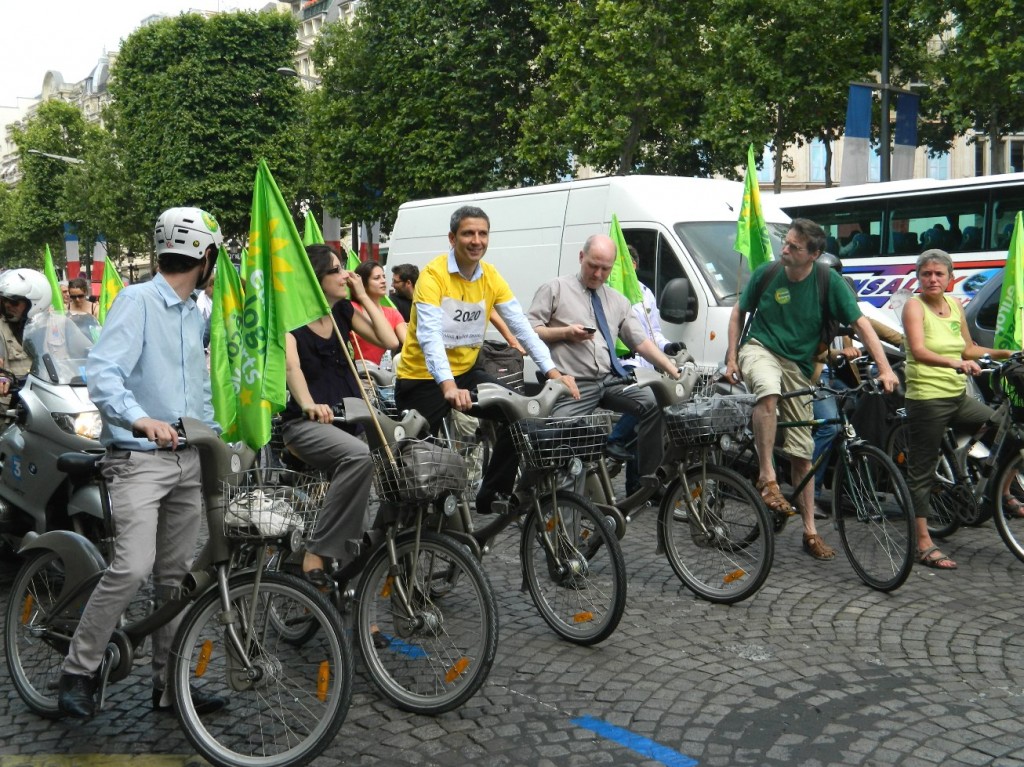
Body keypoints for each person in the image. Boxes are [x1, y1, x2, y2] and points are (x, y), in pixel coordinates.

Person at [57, 207, 226, 719]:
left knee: (175, 579)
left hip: (188, 458)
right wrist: (139, 419)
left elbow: (195, 389)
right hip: (138, 461)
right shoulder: (137, 300)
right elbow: (103, 373)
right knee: (132, 567)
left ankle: (168, 687)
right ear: (206, 255)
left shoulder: (194, 311)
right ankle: (79, 669)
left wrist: (219, 434)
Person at [724, 218, 899, 561]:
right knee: (768, 390)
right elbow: (738, 313)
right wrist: (732, 356)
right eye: (786, 242)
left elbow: (862, 324)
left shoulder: (827, 281)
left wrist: (885, 367)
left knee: (803, 454)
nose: (785, 249)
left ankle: (810, 532)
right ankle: (767, 477)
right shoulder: (767, 273)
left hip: (799, 367)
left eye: (794, 247)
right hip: (760, 349)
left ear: (814, 254)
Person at [395, 205, 579, 514]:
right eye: (468, 233)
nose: (476, 240)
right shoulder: (433, 275)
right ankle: (398, 528)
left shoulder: (490, 276)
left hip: (468, 372)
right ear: (452, 238)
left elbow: (521, 327)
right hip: (422, 377)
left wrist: (553, 372)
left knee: (519, 415)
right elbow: (429, 336)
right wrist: (448, 385)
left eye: (483, 233)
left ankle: (492, 494)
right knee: (417, 466)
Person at [282, 244, 398, 604]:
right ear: (316, 278)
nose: (345, 274)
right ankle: (316, 550)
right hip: (306, 424)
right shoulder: (291, 320)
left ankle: (358, 606)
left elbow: (389, 339)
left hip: (350, 419)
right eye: (336, 269)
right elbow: (292, 368)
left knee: (370, 499)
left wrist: (363, 296)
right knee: (359, 457)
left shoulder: (342, 311)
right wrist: (308, 404)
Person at [528, 234, 682, 483]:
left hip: (610, 379)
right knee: (556, 434)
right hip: (573, 384)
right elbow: (530, 332)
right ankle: (531, 491)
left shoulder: (618, 301)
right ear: (581, 257)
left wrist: (672, 369)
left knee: (654, 402)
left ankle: (648, 478)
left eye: (605, 269)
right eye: (593, 266)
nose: (598, 274)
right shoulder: (555, 289)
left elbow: (641, 342)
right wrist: (565, 333)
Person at [901, 249, 1012, 570]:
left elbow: (969, 348)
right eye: (926, 274)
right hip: (927, 399)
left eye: (939, 274)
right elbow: (919, 350)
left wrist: (1007, 353)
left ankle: (1001, 491)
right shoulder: (914, 306)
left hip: (957, 396)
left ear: (951, 278)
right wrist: (955, 363)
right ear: (918, 278)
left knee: (1004, 429)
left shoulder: (954, 305)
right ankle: (923, 542)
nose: (932, 279)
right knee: (921, 471)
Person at [809, 253, 904, 518]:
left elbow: (870, 326)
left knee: (865, 416)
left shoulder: (842, 298)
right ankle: (810, 494)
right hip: (813, 377)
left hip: (839, 378)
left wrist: (908, 343)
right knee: (831, 426)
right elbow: (806, 349)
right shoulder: (807, 305)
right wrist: (837, 354)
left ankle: (855, 485)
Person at [603, 245, 685, 494]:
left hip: (647, 362)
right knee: (648, 403)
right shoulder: (609, 291)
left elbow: (653, 332)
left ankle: (637, 487)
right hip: (624, 363)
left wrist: (667, 346)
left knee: (643, 428)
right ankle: (615, 439)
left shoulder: (645, 293)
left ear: (634, 265)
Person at [0, 268, 51, 407]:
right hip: (12, 406)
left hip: (48, 401)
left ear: (34, 303)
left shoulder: (55, 327)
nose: (7, 305)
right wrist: (2, 377)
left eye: (14, 302)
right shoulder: (1, 328)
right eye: (5, 300)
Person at [352, 260, 406, 366]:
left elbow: (409, 343)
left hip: (378, 373)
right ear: (363, 284)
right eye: (377, 278)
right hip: (353, 370)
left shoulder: (393, 313)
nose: (383, 281)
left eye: (384, 277)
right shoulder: (351, 308)